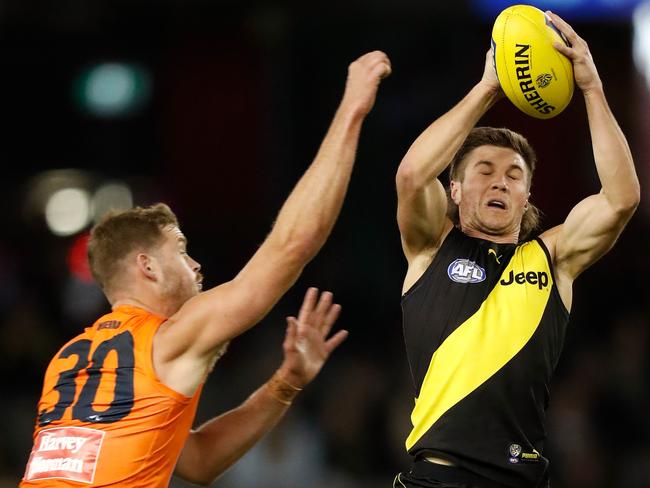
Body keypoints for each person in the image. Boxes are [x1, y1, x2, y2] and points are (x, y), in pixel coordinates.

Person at [21, 50, 392, 487]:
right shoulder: (166, 337)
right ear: (148, 267)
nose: (196, 265)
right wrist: (352, 111)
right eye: (180, 249)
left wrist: (286, 383)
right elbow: (291, 246)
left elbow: (197, 460)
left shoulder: (67, 362)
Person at [393, 12, 638, 488]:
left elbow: (622, 198)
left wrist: (591, 87)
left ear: (526, 196)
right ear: (456, 190)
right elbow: (411, 175)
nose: (500, 180)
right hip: (438, 479)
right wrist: (488, 88)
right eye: (484, 169)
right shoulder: (430, 247)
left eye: (514, 175)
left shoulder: (552, 258)